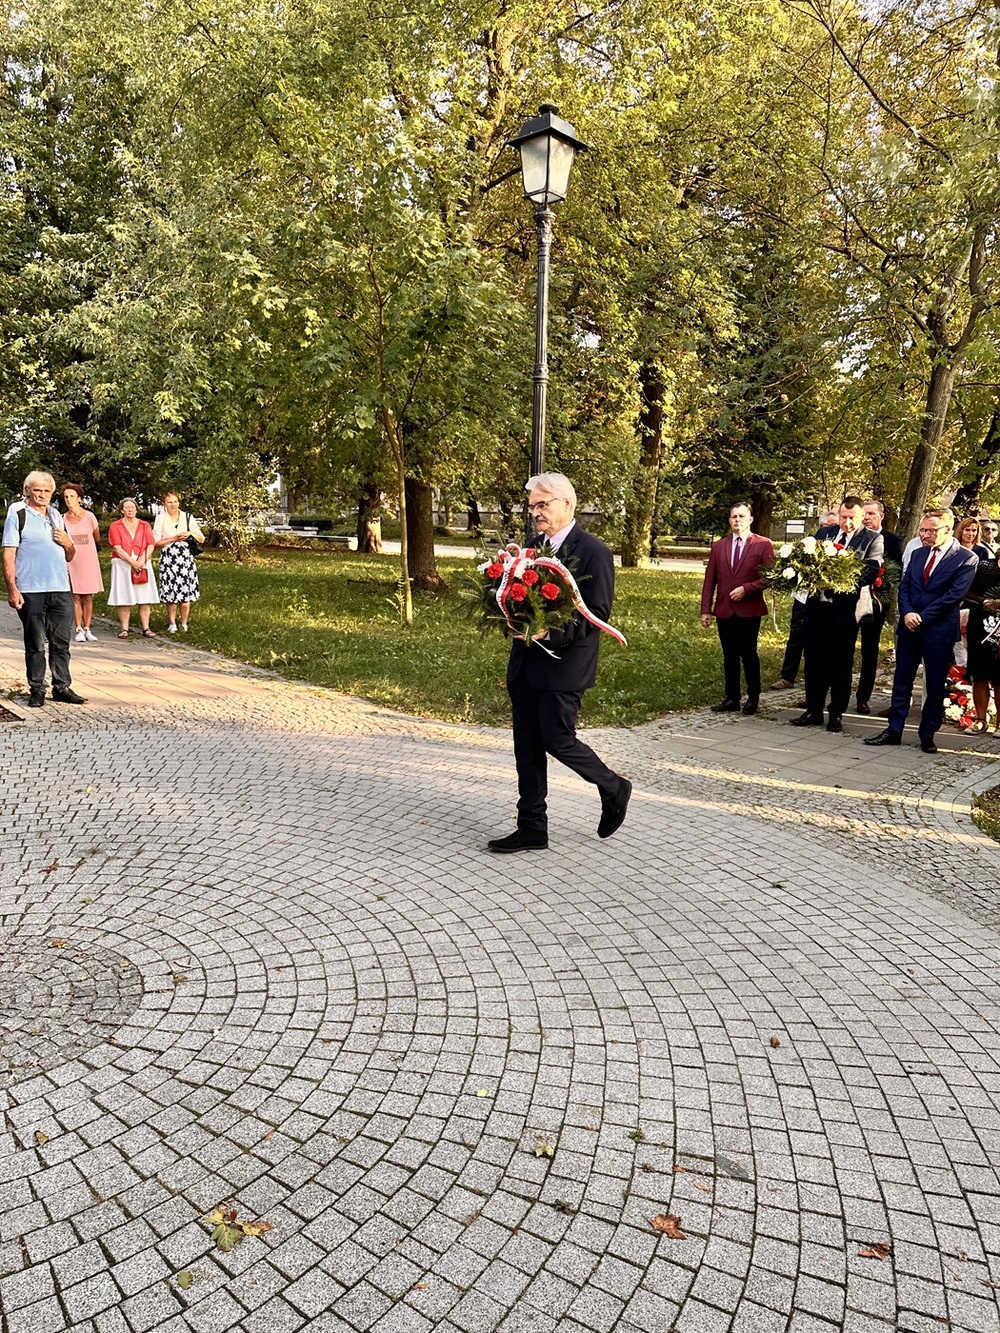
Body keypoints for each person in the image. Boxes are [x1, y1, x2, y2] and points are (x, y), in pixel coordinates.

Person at [488, 472, 631, 853]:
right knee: (527, 748)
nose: (536, 512)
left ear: (567, 503)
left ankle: (614, 786)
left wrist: (549, 634)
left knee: (557, 740)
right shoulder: (532, 548)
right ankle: (532, 827)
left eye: (542, 504)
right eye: (533, 506)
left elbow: (596, 612)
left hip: (563, 665)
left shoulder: (593, 551)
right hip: (525, 664)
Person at [865, 508, 978, 753]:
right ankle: (894, 729)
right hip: (909, 627)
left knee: (935, 684)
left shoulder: (966, 558)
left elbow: (953, 596)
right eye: (922, 529)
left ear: (947, 529)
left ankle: (927, 733)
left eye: (930, 530)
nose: (924, 535)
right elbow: (905, 587)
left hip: (938, 630)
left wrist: (922, 617)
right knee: (901, 681)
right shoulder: (917, 553)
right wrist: (906, 613)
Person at [791, 496, 883, 733]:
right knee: (813, 660)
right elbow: (808, 562)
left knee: (840, 663)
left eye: (852, 518)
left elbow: (870, 573)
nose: (847, 523)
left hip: (844, 612)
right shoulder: (825, 534)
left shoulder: (873, 539)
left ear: (862, 516)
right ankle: (813, 709)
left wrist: (835, 582)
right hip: (817, 609)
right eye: (843, 517)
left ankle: (836, 714)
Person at [2, 470, 87, 706]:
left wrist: (69, 544)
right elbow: (9, 554)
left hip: (60, 588)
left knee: (61, 643)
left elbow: (70, 555)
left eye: (47, 490)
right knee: (36, 643)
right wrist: (13, 589)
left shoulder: (57, 517)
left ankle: (62, 687)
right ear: (28, 491)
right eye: (37, 490)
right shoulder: (18, 516)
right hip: (31, 589)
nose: (42, 494)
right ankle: (37, 688)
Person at [700, 502, 775, 714]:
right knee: (729, 655)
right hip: (724, 609)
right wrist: (706, 609)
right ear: (729, 520)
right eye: (734, 517)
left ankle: (753, 697)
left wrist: (747, 588)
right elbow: (710, 581)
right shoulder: (719, 546)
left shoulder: (763, 544)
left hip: (749, 610)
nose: (737, 520)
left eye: (742, 516)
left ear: (750, 519)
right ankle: (732, 697)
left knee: (748, 654)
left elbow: (769, 577)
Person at [855, 499, 903, 714]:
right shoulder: (854, 537)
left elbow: (897, 571)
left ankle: (863, 697)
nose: (866, 518)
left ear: (881, 516)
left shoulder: (892, 541)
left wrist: (881, 580)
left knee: (869, 650)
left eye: (871, 514)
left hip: (875, 601)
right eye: (864, 514)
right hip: (849, 600)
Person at [153, 491, 205, 632]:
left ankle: (184, 623)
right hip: (169, 558)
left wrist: (189, 534)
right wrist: (174, 538)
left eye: (175, 501)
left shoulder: (187, 517)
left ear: (179, 503)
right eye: (169, 502)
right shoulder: (160, 518)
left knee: (185, 593)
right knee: (171, 593)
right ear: (164, 504)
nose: (173, 505)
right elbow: (156, 542)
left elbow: (201, 538)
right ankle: (172, 623)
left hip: (185, 558)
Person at [107, 498, 159, 638]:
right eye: (126, 507)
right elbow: (117, 547)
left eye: (132, 507)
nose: (130, 510)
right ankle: (124, 628)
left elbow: (150, 544)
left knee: (144, 595)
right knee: (124, 595)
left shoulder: (144, 525)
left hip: (142, 561)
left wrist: (141, 561)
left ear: (136, 509)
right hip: (123, 564)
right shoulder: (115, 526)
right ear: (122, 509)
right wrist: (132, 562)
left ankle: (146, 628)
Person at [60, 483, 104, 642]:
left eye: (72, 496)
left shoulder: (89, 516)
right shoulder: (62, 518)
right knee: (76, 596)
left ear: (79, 498)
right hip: (72, 560)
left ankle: (88, 628)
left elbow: (96, 537)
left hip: (88, 559)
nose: (69, 499)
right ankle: (78, 628)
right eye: (66, 497)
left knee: (88, 596)